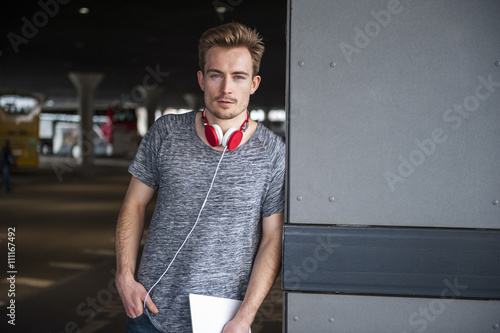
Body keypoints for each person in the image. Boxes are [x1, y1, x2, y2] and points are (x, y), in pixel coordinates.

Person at [115, 22, 286, 333]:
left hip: (223, 323)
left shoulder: (273, 152)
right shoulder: (166, 133)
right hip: (150, 313)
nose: (226, 89)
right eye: (215, 75)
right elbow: (134, 205)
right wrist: (124, 277)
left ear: (254, 83)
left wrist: (245, 318)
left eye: (238, 77)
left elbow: (272, 238)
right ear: (201, 79)